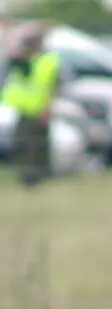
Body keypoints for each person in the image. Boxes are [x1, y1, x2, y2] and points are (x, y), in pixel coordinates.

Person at [1, 24, 60, 188]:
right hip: (28, 109)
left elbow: (50, 86)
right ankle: (34, 175)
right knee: (31, 144)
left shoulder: (41, 61)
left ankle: (33, 177)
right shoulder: (37, 60)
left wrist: (48, 108)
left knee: (32, 145)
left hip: (35, 110)